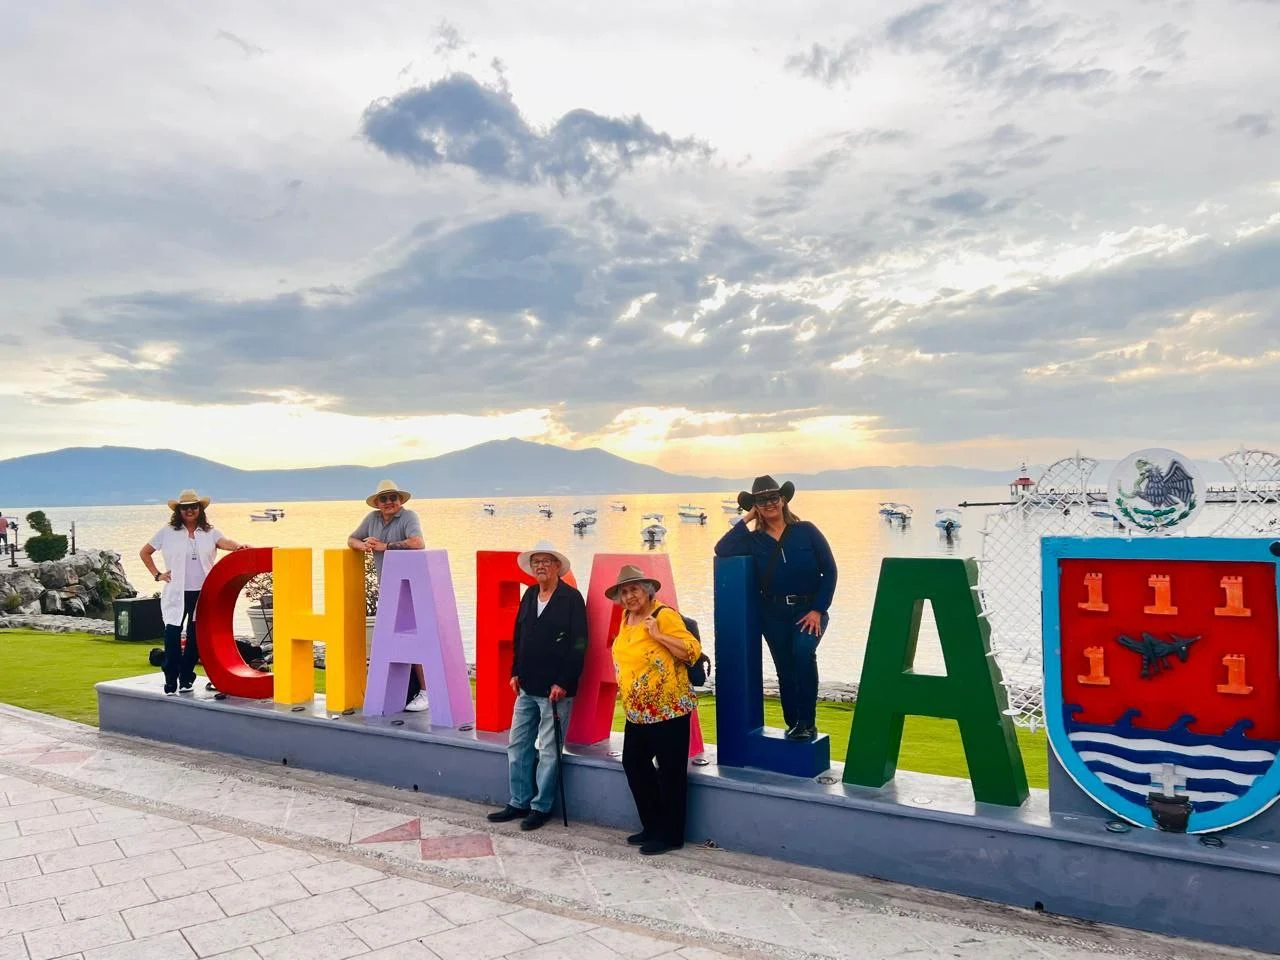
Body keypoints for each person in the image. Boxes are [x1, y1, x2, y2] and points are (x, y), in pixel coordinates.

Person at [714, 475, 837, 742]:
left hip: (809, 610)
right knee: (784, 668)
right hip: (773, 614)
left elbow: (829, 570)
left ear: (783, 500)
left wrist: (818, 609)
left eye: (773, 497)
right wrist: (746, 519)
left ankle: (807, 721)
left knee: (803, 655)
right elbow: (722, 549)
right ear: (755, 505)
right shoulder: (754, 539)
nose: (769, 503)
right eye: (761, 500)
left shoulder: (806, 530)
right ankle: (794, 723)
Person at [487, 540, 587, 831]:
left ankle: (540, 807)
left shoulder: (571, 598)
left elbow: (580, 644)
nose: (540, 566)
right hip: (526, 686)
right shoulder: (530, 594)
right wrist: (515, 671)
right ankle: (518, 801)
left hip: (556, 691)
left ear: (557, 567)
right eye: (536, 562)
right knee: (517, 745)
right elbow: (520, 635)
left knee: (548, 750)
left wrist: (564, 682)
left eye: (546, 561)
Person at [607, 564, 701, 855]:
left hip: (668, 710)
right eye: (624, 592)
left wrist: (659, 635)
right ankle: (652, 825)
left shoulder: (664, 615)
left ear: (647, 591)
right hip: (638, 712)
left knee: (671, 773)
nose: (629, 596)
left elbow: (691, 651)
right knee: (634, 764)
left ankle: (671, 835)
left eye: (634, 589)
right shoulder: (626, 617)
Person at [139, 490, 248, 695]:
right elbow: (145, 552)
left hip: (202, 593)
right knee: (171, 637)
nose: (190, 510)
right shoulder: (167, 531)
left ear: (200, 509)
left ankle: (186, 677)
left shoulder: (210, 532)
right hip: (176, 593)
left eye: (194, 506)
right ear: (179, 510)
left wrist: (240, 547)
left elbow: (226, 543)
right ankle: (171, 679)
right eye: (185, 507)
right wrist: (157, 574)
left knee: (195, 638)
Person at [347, 479, 428, 711]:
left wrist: (386, 546)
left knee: (414, 639)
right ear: (377, 503)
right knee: (393, 641)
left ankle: (426, 691)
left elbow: (418, 542)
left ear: (400, 500)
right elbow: (351, 538)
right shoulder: (371, 519)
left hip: (409, 588)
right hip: (389, 589)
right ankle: (397, 692)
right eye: (384, 498)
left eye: (393, 497)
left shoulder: (409, 517)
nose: (389, 502)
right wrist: (363, 546)